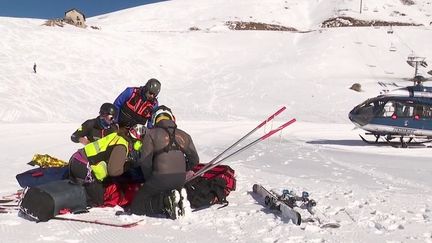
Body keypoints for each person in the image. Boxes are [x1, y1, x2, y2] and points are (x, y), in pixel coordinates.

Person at [127, 105, 199, 219]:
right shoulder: (185, 135)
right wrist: (183, 168)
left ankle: (165, 202)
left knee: (137, 207)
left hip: (160, 178)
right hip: (180, 179)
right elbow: (195, 160)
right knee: (163, 189)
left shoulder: (151, 134)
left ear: (155, 118)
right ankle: (177, 200)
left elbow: (145, 162)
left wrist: (149, 178)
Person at [68, 125, 144, 206]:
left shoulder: (118, 136)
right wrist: (127, 167)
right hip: (83, 167)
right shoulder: (122, 146)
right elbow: (113, 171)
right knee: (98, 201)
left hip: (76, 159)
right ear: (137, 142)